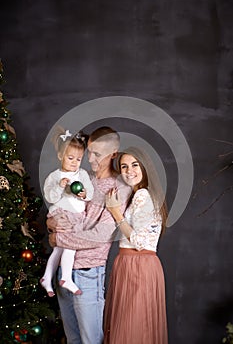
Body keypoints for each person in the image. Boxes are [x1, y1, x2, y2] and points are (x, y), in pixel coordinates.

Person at [47, 126, 131, 344]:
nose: (90, 158)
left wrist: (58, 239)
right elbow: (61, 207)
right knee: (73, 339)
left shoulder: (119, 187)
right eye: (90, 151)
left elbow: (101, 235)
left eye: (97, 154)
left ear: (113, 153)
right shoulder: (84, 179)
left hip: (88, 272)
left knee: (90, 341)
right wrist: (51, 223)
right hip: (64, 272)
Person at [104, 146, 168, 344]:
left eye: (134, 165)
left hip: (136, 265)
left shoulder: (142, 196)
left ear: (144, 167)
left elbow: (139, 242)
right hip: (137, 265)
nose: (129, 170)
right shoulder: (139, 195)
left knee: (131, 328)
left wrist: (115, 212)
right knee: (140, 329)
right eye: (124, 166)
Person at [41, 127, 94, 297]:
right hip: (62, 214)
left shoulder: (83, 174)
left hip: (77, 217)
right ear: (60, 156)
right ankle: (65, 278)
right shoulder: (54, 176)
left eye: (78, 159)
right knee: (70, 246)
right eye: (70, 158)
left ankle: (47, 277)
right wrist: (60, 186)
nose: (74, 162)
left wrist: (85, 194)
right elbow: (50, 197)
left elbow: (90, 193)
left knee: (59, 249)